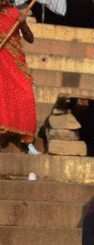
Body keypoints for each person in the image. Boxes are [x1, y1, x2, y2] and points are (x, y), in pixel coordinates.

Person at [0, 0, 36, 151]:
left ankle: (25, 139)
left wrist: (24, 25)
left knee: (26, 94)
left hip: (15, 63)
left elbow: (30, 38)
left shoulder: (16, 14)